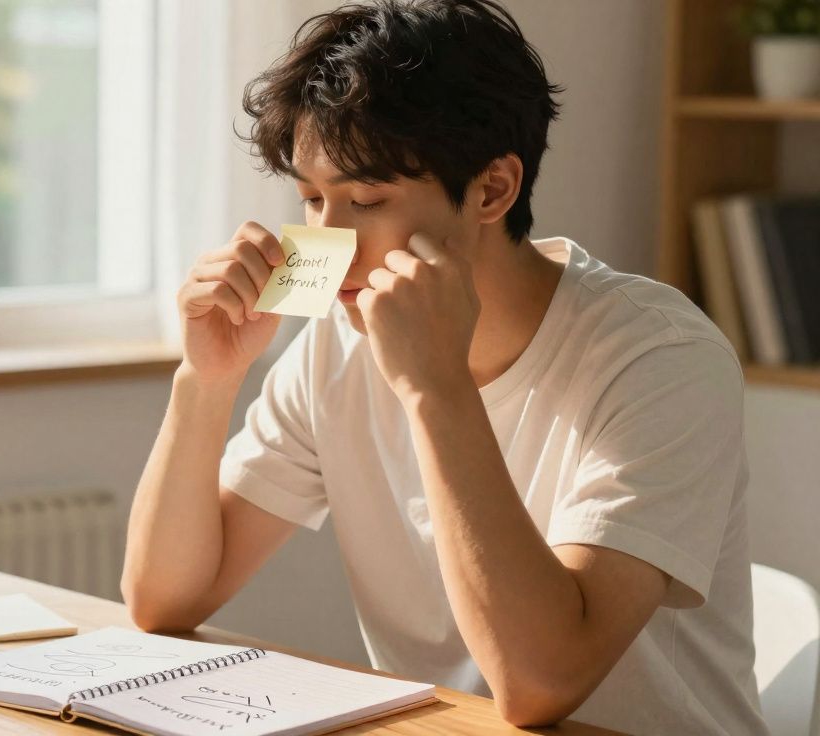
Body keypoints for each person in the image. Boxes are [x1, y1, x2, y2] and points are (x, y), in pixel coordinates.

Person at [120, 1, 768, 733]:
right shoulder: (337, 346)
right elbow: (163, 600)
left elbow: (541, 685)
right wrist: (206, 379)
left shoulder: (662, 358)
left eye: (366, 199)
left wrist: (435, 387)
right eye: (311, 198)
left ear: (492, 190)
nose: (327, 242)